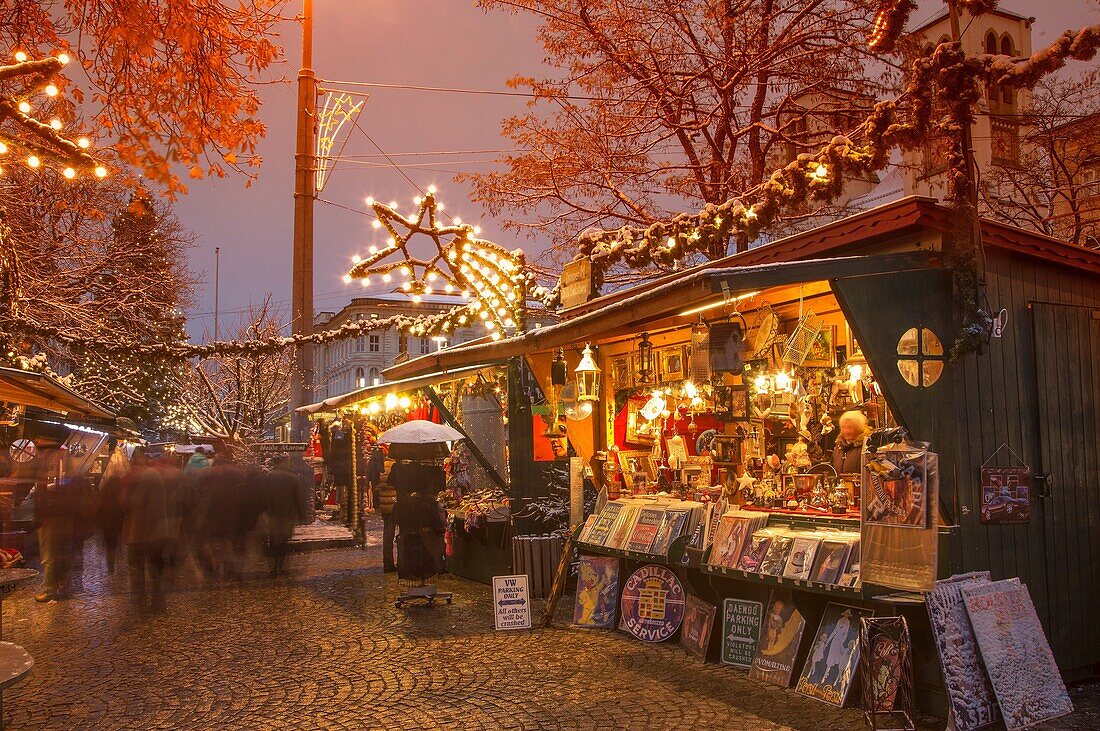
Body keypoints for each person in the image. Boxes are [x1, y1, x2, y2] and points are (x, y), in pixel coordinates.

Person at [121, 456, 170, 612]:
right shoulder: (155, 475)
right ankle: (158, 600)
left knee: (137, 567)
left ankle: (139, 601)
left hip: (140, 532)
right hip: (158, 531)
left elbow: (130, 502)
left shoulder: (139, 478)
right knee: (155, 568)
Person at [96, 447, 130, 574]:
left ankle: (111, 562)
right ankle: (116, 557)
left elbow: (100, 503)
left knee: (109, 541)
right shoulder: (121, 488)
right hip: (117, 518)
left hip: (107, 518)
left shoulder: (105, 489)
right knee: (116, 540)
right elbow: (124, 503)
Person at [831, 410, 869, 475]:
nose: (847, 431)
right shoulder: (838, 447)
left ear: (859, 428)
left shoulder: (866, 447)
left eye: (850, 427)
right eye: (843, 427)